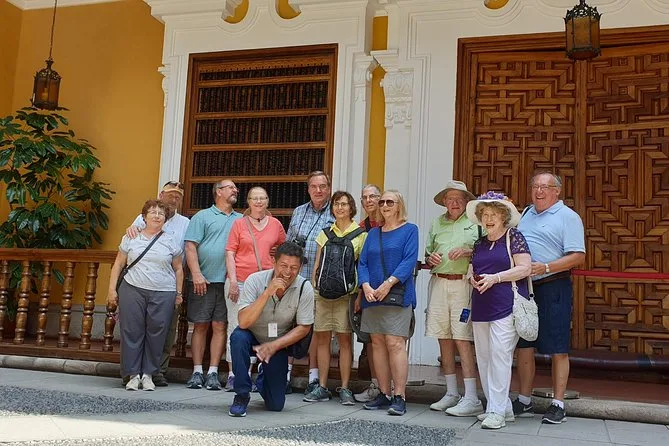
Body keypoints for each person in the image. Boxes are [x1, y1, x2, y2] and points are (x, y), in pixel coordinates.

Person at [514, 172, 585, 424]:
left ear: (557, 191)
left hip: (554, 285)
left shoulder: (568, 216)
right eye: (535, 186)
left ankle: (558, 404)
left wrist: (545, 267)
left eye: (545, 187)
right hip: (525, 287)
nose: (539, 191)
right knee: (524, 344)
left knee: (557, 346)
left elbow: (578, 256)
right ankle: (524, 400)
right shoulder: (525, 213)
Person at [465, 191, 532, 429]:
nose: (489, 218)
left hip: (506, 305)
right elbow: (471, 270)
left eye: (493, 214)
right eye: (485, 214)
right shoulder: (479, 243)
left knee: (500, 356)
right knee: (484, 357)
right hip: (481, 305)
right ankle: (502, 408)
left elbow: (525, 268)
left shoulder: (514, 237)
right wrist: (472, 279)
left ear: (503, 216)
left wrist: (496, 278)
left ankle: (496, 412)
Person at [227, 242, 315, 417]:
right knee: (237, 338)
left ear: (300, 268)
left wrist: (274, 346)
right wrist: (267, 292)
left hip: (278, 342)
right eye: (283, 265)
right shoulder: (255, 280)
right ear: (274, 263)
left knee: (275, 405)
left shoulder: (305, 288)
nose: (288, 272)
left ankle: (263, 376)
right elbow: (243, 322)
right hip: (251, 334)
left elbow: (304, 328)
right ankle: (242, 394)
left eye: (294, 268)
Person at [108, 199, 184, 391]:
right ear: (144, 217)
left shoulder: (170, 240)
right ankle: (133, 374)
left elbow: (178, 269)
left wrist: (179, 293)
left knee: (157, 332)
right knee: (131, 331)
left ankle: (149, 374)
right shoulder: (131, 237)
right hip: (132, 288)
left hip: (164, 291)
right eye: (153, 212)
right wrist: (111, 290)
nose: (157, 216)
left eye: (161, 213)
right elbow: (118, 264)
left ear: (165, 218)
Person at [425, 180, 484, 417]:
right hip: (439, 282)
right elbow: (428, 253)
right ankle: (451, 393)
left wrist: (469, 251)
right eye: (450, 198)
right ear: (444, 201)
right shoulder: (436, 223)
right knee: (443, 337)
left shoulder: (476, 222)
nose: (455, 202)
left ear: (467, 201)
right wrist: (430, 258)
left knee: (462, 338)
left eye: (459, 198)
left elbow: (489, 249)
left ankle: (471, 397)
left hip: (463, 283)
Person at [358, 190, 419, 416]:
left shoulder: (410, 230)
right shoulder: (373, 233)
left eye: (389, 202)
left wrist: (388, 284)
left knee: (395, 343)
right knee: (377, 344)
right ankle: (384, 393)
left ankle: (399, 396)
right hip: (373, 295)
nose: (384, 205)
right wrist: (366, 286)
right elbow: (362, 263)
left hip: (396, 295)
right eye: (382, 202)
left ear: (399, 205)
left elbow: (409, 261)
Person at [124, 180, 189, 387]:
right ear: (161, 195)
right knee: (135, 329)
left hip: (168, 285)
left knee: (164, 331)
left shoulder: (185, 223)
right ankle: (132, 371)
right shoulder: (142, 217)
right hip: (138, 283)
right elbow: (130, 239)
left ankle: (157, 371)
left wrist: (179, 291)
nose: (174, 199)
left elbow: (184, 255)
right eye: (170, 195)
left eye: (178, 196)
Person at [304, 191, 367, 405]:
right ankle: (322, 386)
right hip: (323, 294)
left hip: (346, 295)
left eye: (344, 204)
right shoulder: (324, 233)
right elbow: (317, 264)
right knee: (322, 339)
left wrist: (359, 295)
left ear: (351, 208)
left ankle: (345, 387)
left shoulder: (360, 235)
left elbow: (361, 266)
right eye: (336, 204)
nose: (340, 208)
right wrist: (315, 288)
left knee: (344, 341)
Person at [224, 187, 287, 391]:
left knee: (265, 327)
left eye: (262, 198)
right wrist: (233, 280)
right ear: (248, 202)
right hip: (241, 281)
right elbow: (230, 252)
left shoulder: (276, 225)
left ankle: (258, 372)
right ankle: (235, 374)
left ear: (267, 201)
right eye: (255, 198)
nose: (259, 202)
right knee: (237, 325)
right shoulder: (239, 224)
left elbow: (284, 252)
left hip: (266, 283)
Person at [184, 179, 242, 390]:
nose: (235, 190)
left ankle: (213, 372)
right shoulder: (202, 216)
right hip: (203, 280)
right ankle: (197, 371)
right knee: (200, 325)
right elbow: (190, 246)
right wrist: (196, 274)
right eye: (230, 187)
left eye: (235, 188)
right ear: (218, 192)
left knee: (220, 326)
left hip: (228, 282)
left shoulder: (241, 219)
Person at [285, 171, 335, 393]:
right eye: (314, 186)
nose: (318, 190)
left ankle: (313, 377)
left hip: (320, 281)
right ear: (308, 189)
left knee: (316, 329)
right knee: (290, 325)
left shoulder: (335, 212)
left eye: (322, 186)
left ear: (329, 188)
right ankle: (284, 374)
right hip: (296, 279)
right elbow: (288, 245)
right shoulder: (298, 211)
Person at [354, 184, 383, 403]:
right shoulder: (360, 228)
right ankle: (376, 384)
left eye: (373, 196)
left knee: (393, 340)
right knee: (372, 341)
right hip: (367, 289)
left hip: (392, 289)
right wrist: (359, 294)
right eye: (365, 197)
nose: (369, 200)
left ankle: (392, 386)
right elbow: (359, 264)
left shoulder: (392, 224)